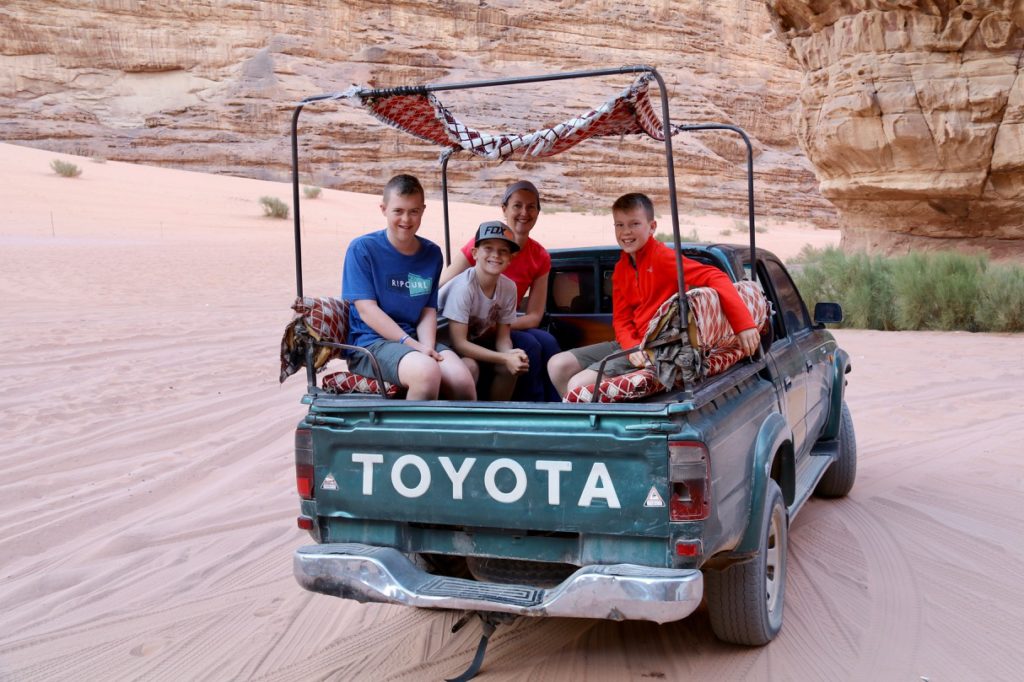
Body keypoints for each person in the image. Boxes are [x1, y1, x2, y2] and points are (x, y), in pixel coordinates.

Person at [548, 192, 759, 397]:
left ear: (652, 227)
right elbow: (621, 320)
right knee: (557, 365)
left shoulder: (663, 258)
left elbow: (715, 276)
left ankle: (589, 426)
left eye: (634, 224)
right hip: (632, 344)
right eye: (619, 225)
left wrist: (744, 324)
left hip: (658, 347)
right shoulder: (621, 268)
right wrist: (631, 347)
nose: (626, 232)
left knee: (578, 384)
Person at [341, 174, 477, 401]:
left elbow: (427, 310)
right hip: (371, 344)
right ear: (384, 209)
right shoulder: (363, 249)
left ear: (423, 210)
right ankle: (412, 437)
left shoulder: (431, 254)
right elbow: (367, 310)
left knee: (462, 381)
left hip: (414, 339)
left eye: (414, 211)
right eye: (398, 211)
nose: (406, 219)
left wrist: (427, 347)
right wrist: (414, 346)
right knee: (426, 373)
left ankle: (454, 436)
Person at [440, 180, 560, 401]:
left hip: (498, 324)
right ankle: (529, 406)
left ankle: (556, 404)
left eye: (531, 206)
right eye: (517, 205)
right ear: (504, 208)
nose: (524, 212)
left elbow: (534, 316)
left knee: (548, 341)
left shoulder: (528, 266)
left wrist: (496, 326)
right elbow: (443, 283)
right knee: (530, 345)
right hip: (467, 327)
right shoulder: (472, 270)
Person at [438, 220, 530, 400]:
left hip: (470, 342)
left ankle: (497, 419)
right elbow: (459, 343)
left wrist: (510, 355)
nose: (496, 255)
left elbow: (503, 338)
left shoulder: (509, 288)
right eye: (488, 248)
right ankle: (466, 423)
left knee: (512, 365)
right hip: (441, 343)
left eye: (503, 251)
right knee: (469, 366)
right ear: (475, 253)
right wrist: (503, 358)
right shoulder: (464, 287)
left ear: (511, 258)